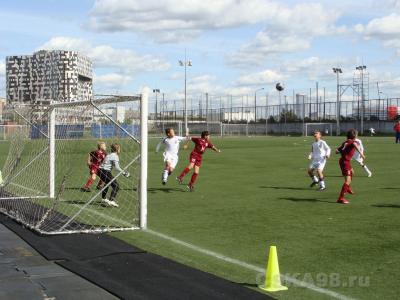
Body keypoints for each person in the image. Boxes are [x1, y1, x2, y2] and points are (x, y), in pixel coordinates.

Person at [335, 129, 365, 204]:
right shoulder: (353, 142)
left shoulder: (345, 142)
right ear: (354, 135)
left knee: (352, 172)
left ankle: (347, 188)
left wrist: (340, 151)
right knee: (347, 181)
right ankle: (341, 198)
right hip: (345, 162)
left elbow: (336, 151)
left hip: (343, 161)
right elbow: (355, 145)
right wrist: (361, 154)